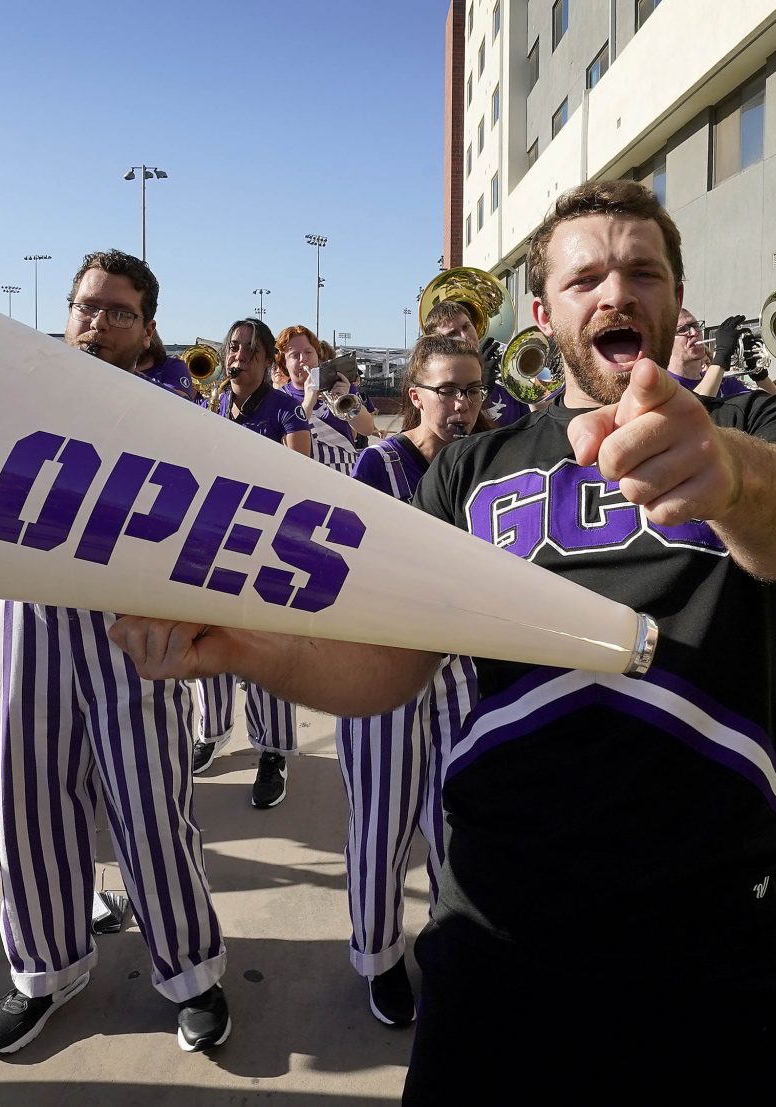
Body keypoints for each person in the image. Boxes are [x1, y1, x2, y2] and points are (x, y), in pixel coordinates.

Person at [108, 179, 776, 1102]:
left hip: (719, 923)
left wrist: (733, 473)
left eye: (642, 272)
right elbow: (389, 661)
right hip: (499, 922)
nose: (616, 294)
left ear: (675, 298)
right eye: (587, 278)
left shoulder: (751, 425)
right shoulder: (469, 467)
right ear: (545, 313)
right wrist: (230, 645)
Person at [0, 249, 230, 1056]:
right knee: (26, 805)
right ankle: (42, 972)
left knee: (152, 807)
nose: (97, 321)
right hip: (25, 615)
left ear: (148, 328)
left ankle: (192, 970)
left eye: (118, 312)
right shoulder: (22, 385)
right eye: (86, 306)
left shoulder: (174, 403)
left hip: (134, 623)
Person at [334, 334, 486, 1027]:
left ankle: (451, 947)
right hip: (385, 671)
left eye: (472, 390)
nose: (461, 404)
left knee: (457, 825)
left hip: (460, 672)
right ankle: (379, 957)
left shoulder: (489, 458)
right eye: (447, 390)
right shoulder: (379, 461)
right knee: (381, 826)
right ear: (414, 395)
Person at [190, 319, 311, 807]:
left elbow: (301, 479)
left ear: (266, 360)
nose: (237, 356)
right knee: (209, 640)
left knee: (263, 651)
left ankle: (272, 751)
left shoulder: (288, 412)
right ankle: (213, 731)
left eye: (248, 350)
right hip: (215, 539)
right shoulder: (214, 402)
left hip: (266, 545)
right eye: (232, 347)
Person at [276, 324, 369, 473]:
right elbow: (285, 448)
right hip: (307, 477)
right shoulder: (279, 398)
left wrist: (347, 397)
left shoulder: (340, 384)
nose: (303, 360)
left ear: (318, 357)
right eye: (294, 355)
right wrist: (307, 403)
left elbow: (367, 429)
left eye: (308, 352)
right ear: (284, 363)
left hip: (346, 474)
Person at [422, 299, 532, 427]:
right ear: (438, 344)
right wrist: (482, 387)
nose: (464, 336)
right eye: (452, 334)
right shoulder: (437, 387)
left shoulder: (504, 367)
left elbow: (533, 420)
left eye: (466, 326)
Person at [672, 309, 776, 399]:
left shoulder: (722, 381)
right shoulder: (665, 384)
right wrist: (722, 355)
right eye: (683, 329)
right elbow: (695, 409)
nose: (694, 333)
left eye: (695, 326)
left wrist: (759, 375)